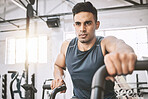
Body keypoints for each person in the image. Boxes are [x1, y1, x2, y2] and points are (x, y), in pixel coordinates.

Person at [51, 1, 137, 99]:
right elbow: (58, 65)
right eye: (78, 24)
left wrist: (124, 53)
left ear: (97, 24)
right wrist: (58, 78)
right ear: (74, 26)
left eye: (87, 23)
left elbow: (119, 44)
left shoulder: (104, 43)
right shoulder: (67, 46)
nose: (82, 29)